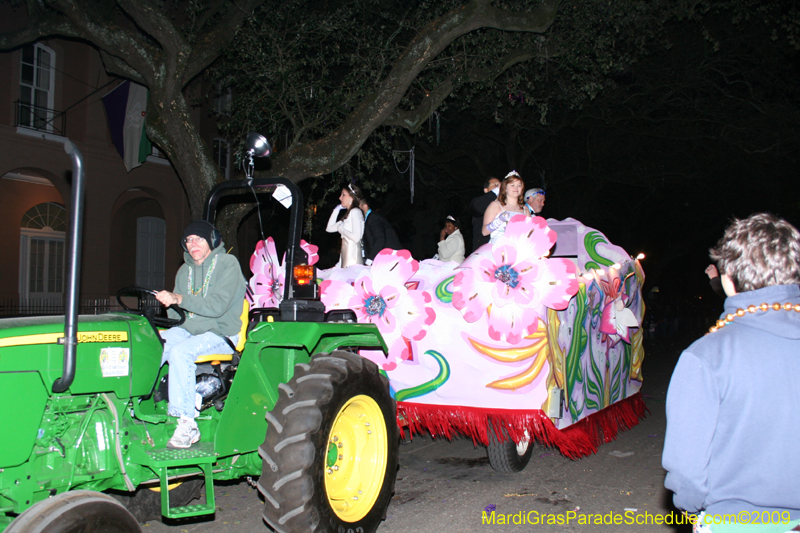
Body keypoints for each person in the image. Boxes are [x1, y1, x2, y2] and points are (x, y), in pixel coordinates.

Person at [662, 213, 800, 533]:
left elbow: (687, 465)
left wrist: (691, 505)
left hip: (737, 520)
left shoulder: (708, 354)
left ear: (727, 279)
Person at [155, 220, 246, 449]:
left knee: (180, 352)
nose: (192, 243)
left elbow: (216, 306)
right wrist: (168, 309)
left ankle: (187, 424)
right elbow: (180, 317)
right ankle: (140, 405)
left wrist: (179, 299)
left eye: (198, 238)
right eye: (188, 240)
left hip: (221, 334)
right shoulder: (184, 270)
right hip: (188, 331)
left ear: (212, 241)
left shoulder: (228, 264)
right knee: (152, 344)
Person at [326, 183, 365, 268]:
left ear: (351, 198)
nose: (340, 198)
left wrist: (341, 229)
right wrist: (336, 210)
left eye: (343, 195)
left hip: (353, 257)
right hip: (345, 256)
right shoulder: (348, 215)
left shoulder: (355, 212)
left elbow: (356, 237)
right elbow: (329, 228)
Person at [482, 171, 526, 244]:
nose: (516, 188)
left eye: (519, 185)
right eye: (512, 185)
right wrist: (498, 221)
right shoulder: (495, 205)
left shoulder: (525, 209)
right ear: (505, 187)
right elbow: (484, 232)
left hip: (519, 249)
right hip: (498, 248)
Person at [360, 196, 401, 264]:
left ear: (365, 206)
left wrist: (370, 260)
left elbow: (380, 239)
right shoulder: (368, 219)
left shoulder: (373, 218)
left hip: (390, 260)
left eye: (359, 207)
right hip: (385, 259)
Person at [468, 176, 500, 253]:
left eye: (499, 185)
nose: (499, 186)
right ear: (486, 190)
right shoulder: (480, 202)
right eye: (495, 185)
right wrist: (497, 190)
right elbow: (476, 208)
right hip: (484, 251)